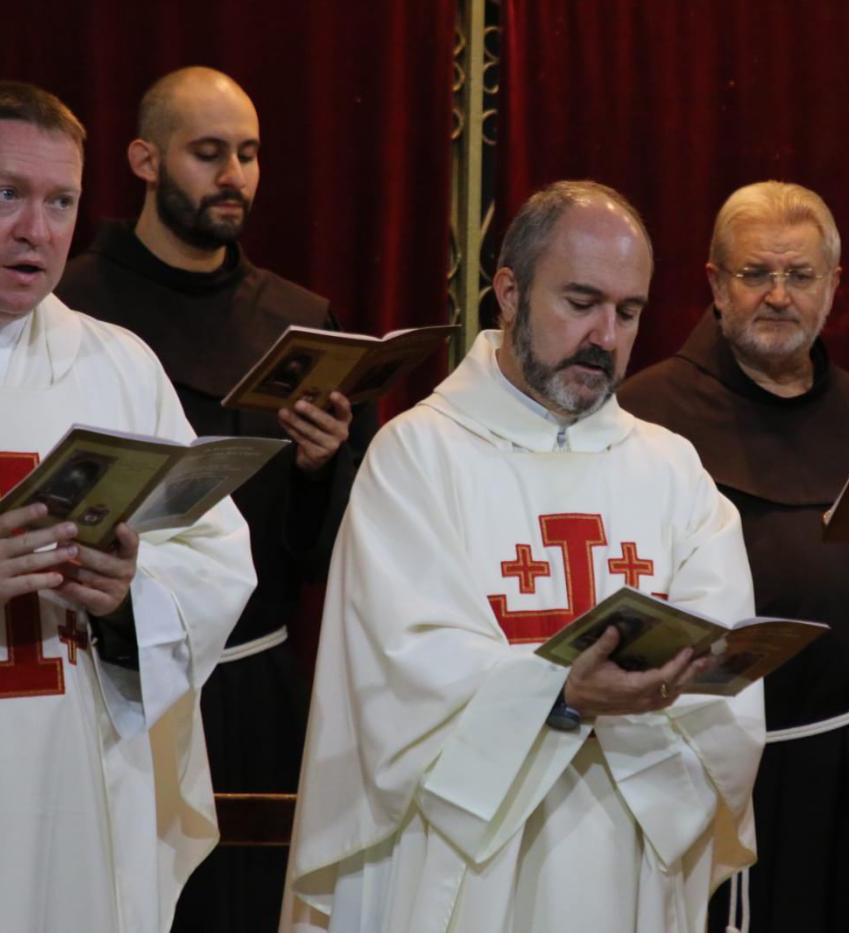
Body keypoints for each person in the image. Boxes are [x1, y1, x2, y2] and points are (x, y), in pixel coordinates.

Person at [282, 180, 764, 933]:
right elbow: (403, 676)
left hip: (627, 855)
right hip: (464, 861)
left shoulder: (674, 472)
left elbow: (724, 680)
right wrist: (565, 693)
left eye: (629, 311)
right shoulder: (417, 456)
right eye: (580, 302)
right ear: (507, 293)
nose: (606, 335)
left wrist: (649, 688)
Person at [0, 81, 254, 932]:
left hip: (85, 783)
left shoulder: (116, 366)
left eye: (61, 200)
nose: (39, 230)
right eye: (7, 195)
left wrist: (131, 591)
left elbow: (216, 556)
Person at [54, 67, 372, 932]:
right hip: (111, 674)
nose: (234, 174)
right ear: (145, 159)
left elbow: (323, 558)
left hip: (255, 678)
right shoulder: (70, 309)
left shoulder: (300, 320)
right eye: (208, 152)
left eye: (249, 153)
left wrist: (318, 472)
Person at [620, 181, 849, 932]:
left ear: (834, 287)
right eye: (755, 274)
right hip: (713, 768)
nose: (778, 295)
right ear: (715, 285)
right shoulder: (646, 418)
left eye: (800, 275)